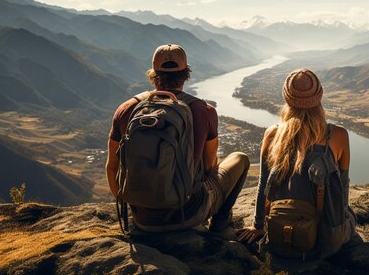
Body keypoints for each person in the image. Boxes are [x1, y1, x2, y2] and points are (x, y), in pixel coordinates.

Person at [106, 44, 249, 232]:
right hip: (188, 214)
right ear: (186, 74)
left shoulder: (127, 109)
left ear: (153, 74)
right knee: (240, 158)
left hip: (142, 220)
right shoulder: (203, 110)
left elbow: (112, 167)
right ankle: (221, 225)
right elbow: (209, 166)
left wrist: (136, 209)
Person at [237, 68, 355, 258]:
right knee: (349, 212)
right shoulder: (338, 135)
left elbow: (263, 185)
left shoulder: (273, 134)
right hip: (327, 240)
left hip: (279, 230)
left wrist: (258, 226)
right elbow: (342, 188)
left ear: (286, 99)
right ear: (319, 97)